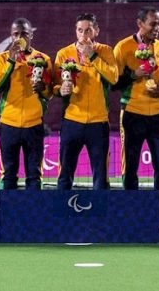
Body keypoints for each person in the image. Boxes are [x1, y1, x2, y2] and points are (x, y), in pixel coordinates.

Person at [53, 13, 118, 190]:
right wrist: (60, 90)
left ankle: (101, 216)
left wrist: (93, 56)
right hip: (72, 121)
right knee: (65, 174)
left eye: (88, 30)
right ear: (76, 32)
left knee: (101, 177)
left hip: (98, 123)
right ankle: (62, 214)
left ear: (96, 31)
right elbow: (53, 86)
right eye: (80, 30)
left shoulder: (105, 51)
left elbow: (113, 78)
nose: (84, 35)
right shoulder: (64, 54)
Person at [113, 6, 159, 190]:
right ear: (140, 23)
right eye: (153, 24)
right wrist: (135, 74)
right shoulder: (123, 47)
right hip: (133, 113)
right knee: (131, 167)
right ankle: (131, 208)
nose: (157, 27)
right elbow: (113, 83)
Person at [0, 18, 53, 190]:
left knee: (34, 174)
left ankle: (33, 214)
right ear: (11, 36)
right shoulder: (2, 59)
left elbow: (49, 94)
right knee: (9, 173)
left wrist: (42, 88)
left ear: (31, 35)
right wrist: (11, 61)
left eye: (24, 34)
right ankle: (6, 213)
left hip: (34, 124)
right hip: (9, 123)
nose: (20, 37)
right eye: (16, 34)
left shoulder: (43, 59)